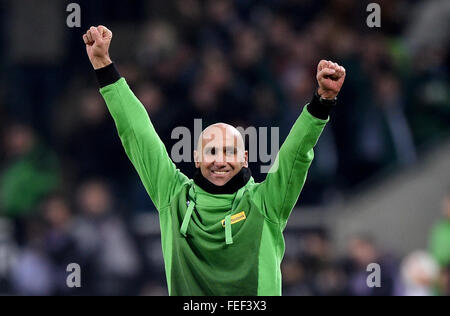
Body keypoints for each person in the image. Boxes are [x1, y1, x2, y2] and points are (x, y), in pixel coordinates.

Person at [82, 25, 346, 296]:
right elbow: (138, 134)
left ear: (244, 158)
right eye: (211, 152)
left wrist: (322, 102)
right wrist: (104, 65)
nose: (220, 160)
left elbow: (296, 154)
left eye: (229, 152)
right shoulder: (173, 196)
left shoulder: (265, 202)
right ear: (196, 158)